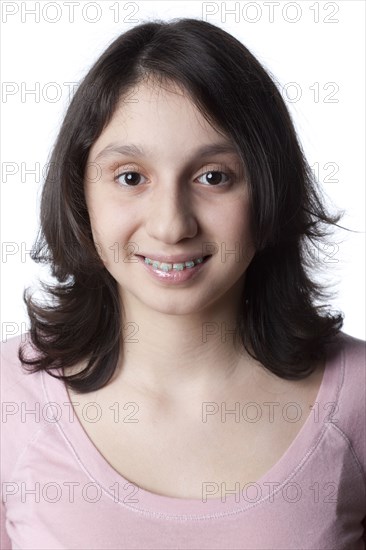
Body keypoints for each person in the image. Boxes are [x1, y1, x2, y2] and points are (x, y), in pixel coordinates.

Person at [1, 17, 365, 550]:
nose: (172, 225)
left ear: (268, 185)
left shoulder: (358, 396)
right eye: (131, 177)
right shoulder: (7, 398)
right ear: (80, 194)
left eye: (213, 176)